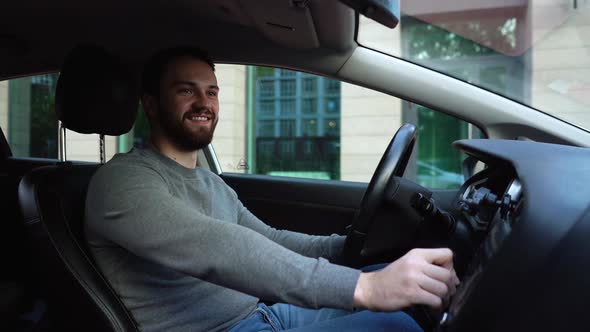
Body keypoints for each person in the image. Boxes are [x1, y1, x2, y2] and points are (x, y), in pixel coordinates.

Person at [85, 47, 459, 332]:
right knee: (393, 325)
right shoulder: (121, 182)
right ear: (150, 104)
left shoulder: (209, 181)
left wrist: (351, 247)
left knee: (410, 291)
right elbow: (219, 247)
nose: (204, 103)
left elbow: (272, 240)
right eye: (186, 90)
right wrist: (364, 287)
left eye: (211, 92)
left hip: (265, 314)